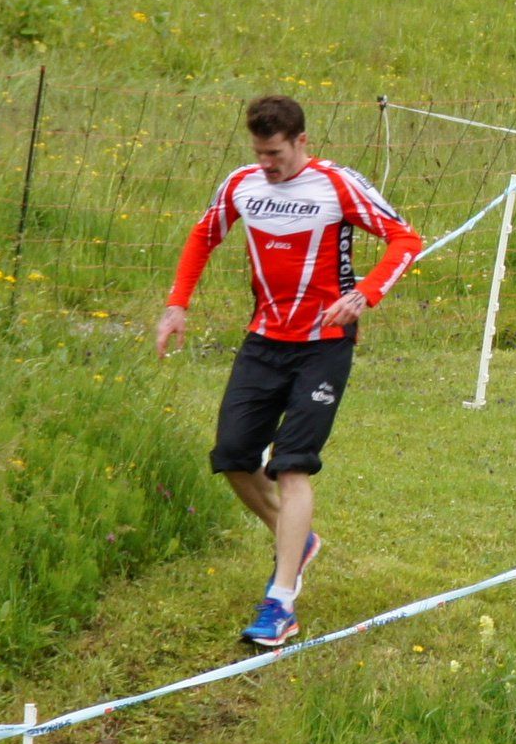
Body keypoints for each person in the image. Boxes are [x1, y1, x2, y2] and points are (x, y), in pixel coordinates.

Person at [157, 94, 423, 650]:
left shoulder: (337, 184)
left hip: (324, 345)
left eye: (275, 153)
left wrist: (365, 294)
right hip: (263, 340)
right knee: (233, 455)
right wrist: (177, 304)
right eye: (259, 152)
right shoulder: (241, 184)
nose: (267, 164)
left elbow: (406, 238)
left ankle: (280, 603)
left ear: (301, 141)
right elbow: (204, 235)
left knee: (292, 465)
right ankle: (295, 539)